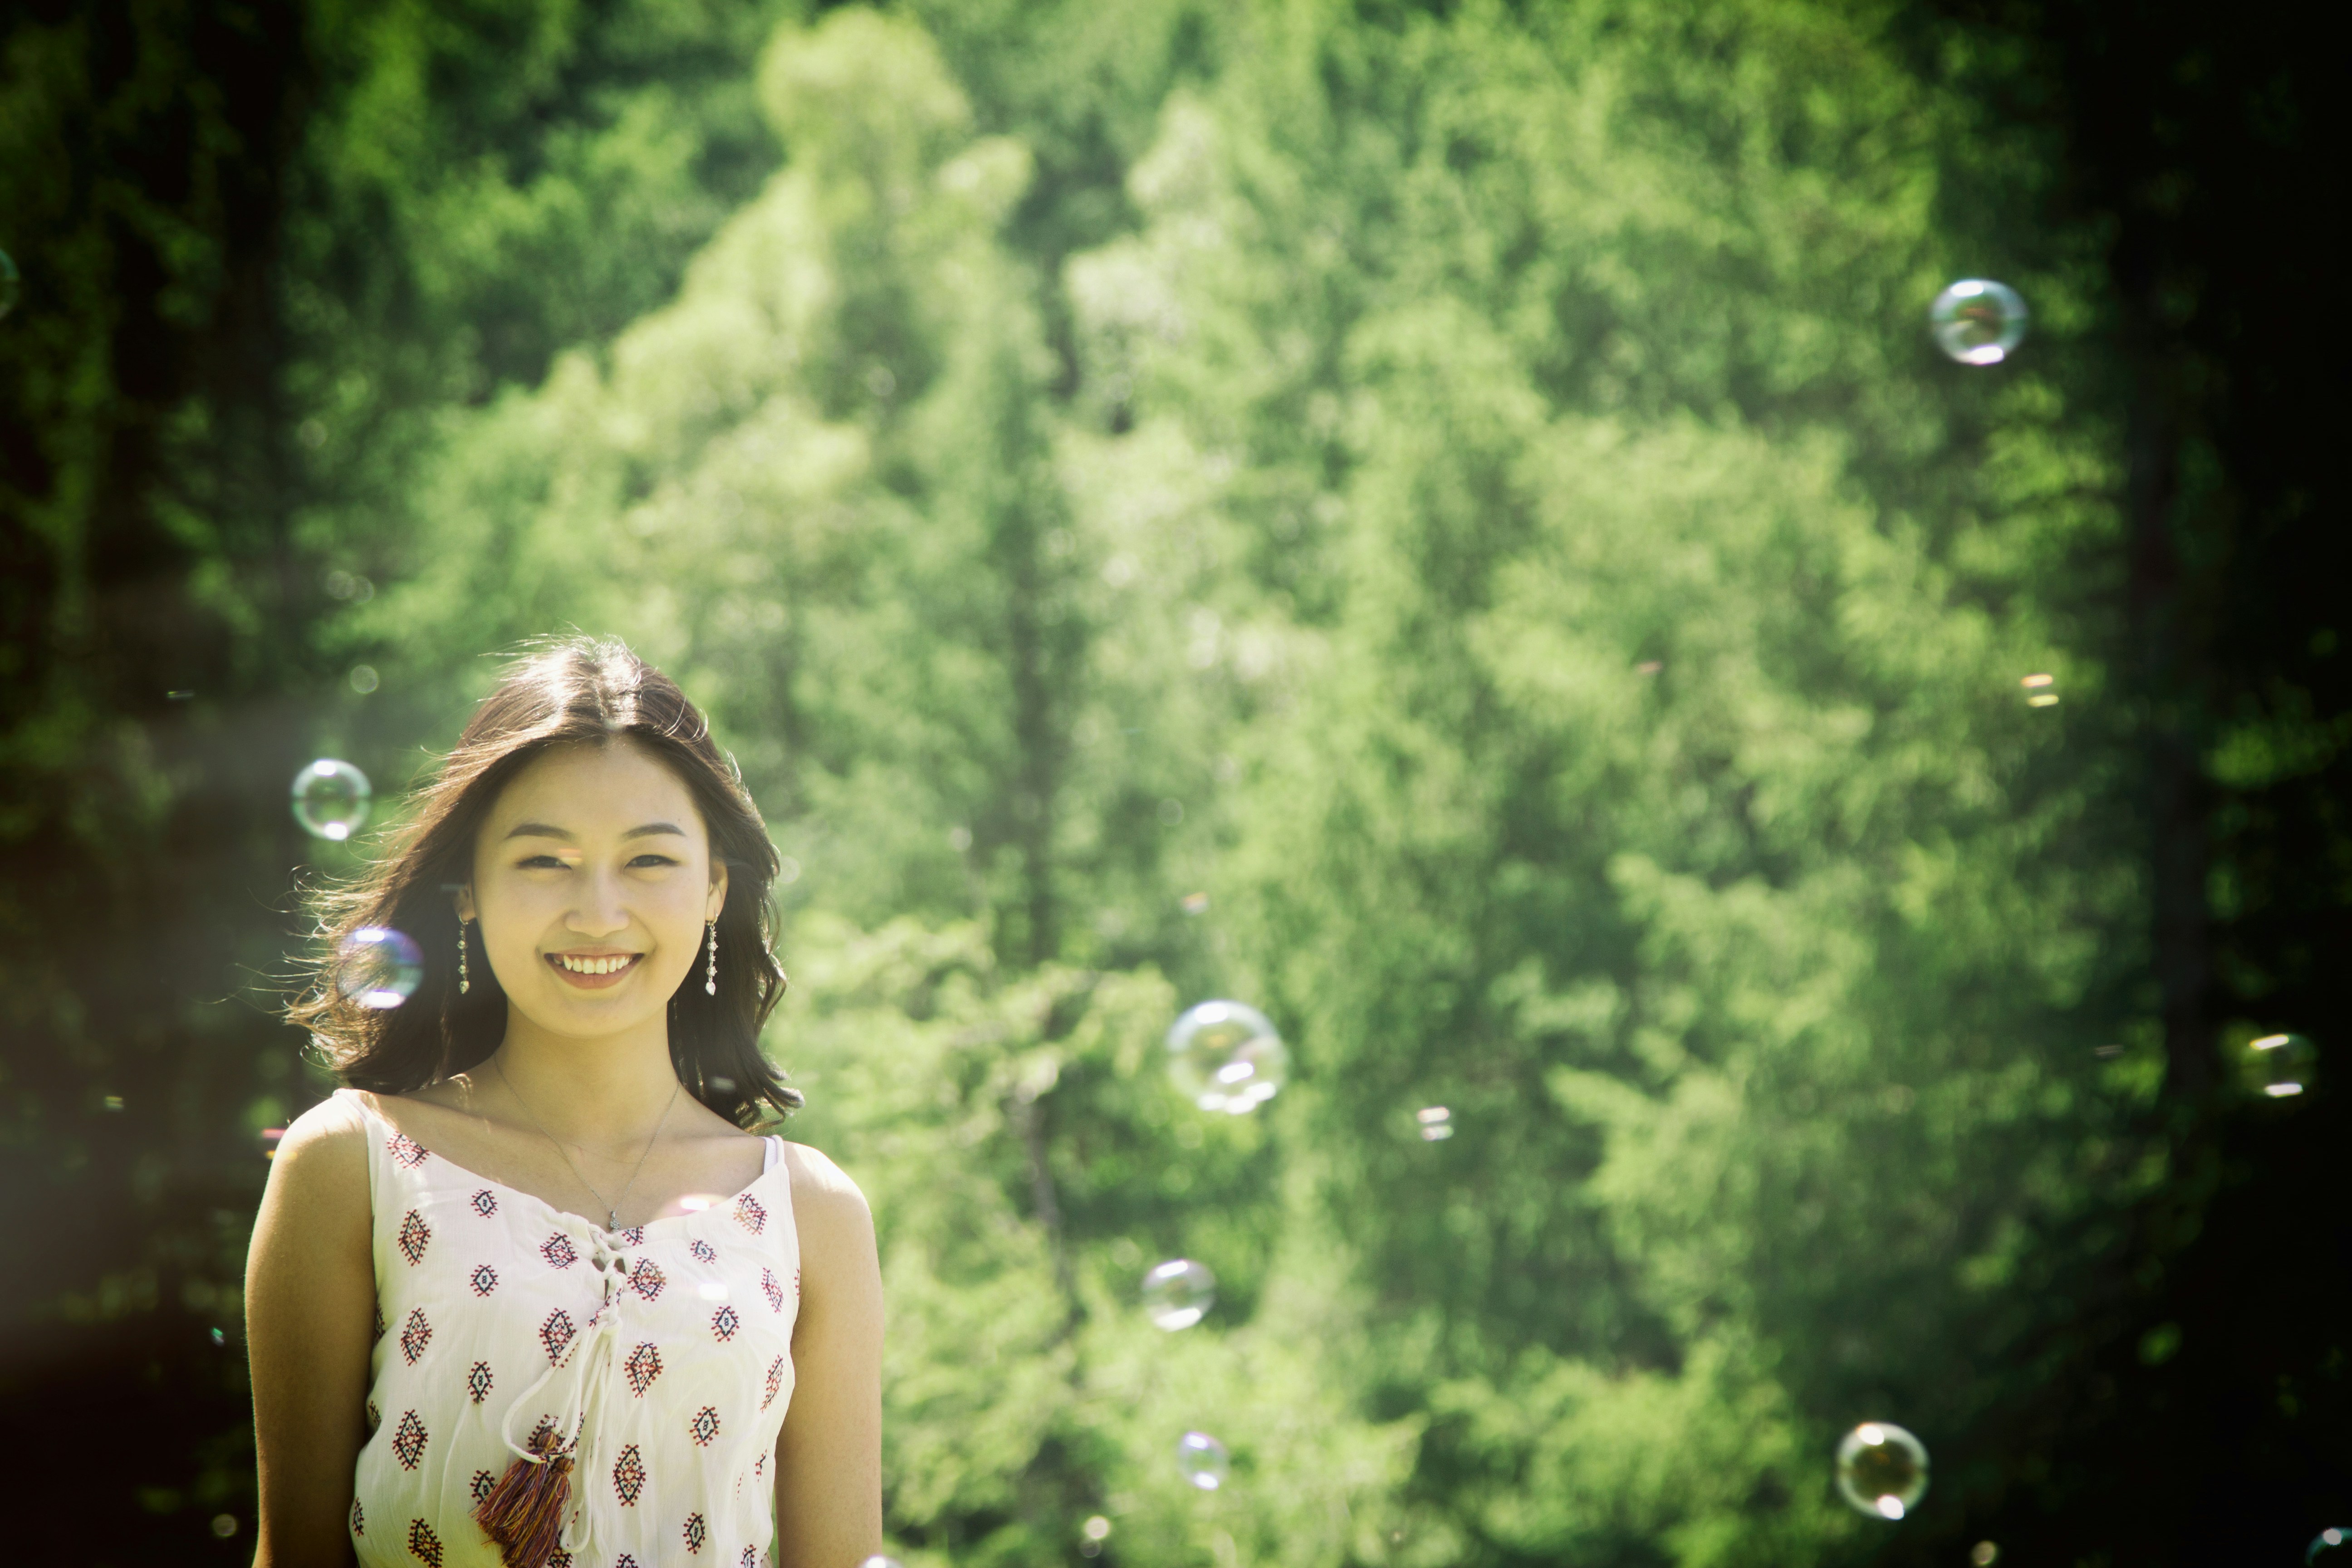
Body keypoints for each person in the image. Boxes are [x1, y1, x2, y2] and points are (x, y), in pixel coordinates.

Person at [246, 638, 882, 1568]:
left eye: (649, 860)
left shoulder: (810, 1213)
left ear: (714, 888)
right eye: (545, 860)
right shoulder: (352, 1163)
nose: (597, 913)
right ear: (467, 891)